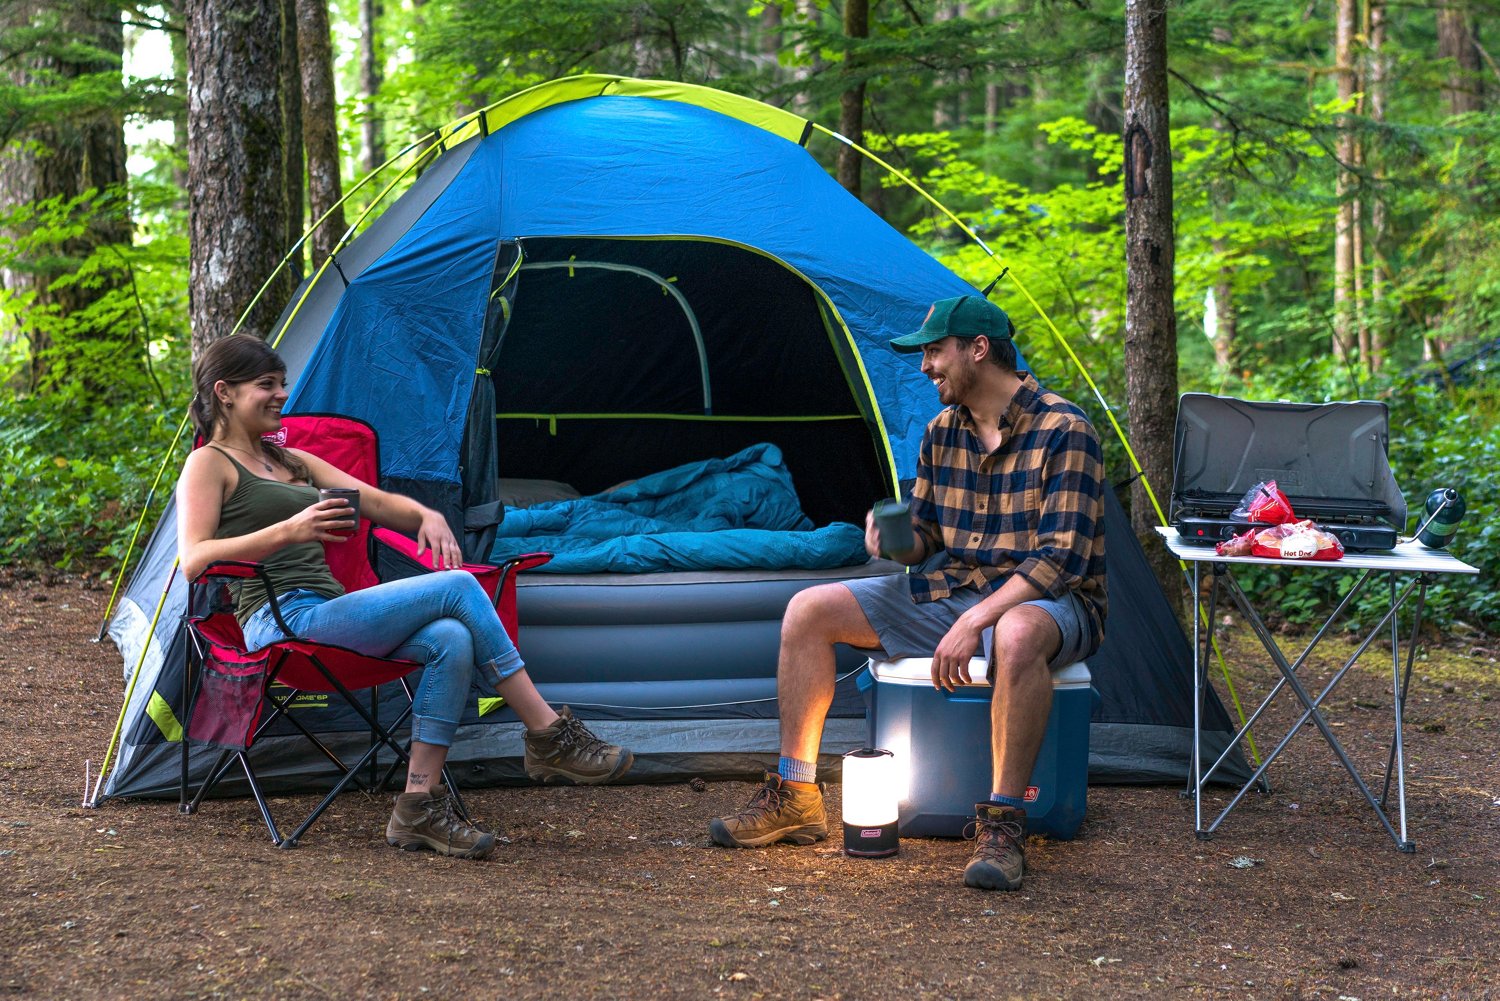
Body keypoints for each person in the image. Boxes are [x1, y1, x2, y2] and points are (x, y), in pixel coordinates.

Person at [177, 334, 633, 860]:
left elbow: (373, 502)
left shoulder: (292, 460)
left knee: (449, 638)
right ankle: (548, 733)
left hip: (324, 612)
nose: (282, 394)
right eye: (267, 385)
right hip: (277, 621)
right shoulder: (209, 464)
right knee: (460, 586)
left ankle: (418, 804)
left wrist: (424, 515)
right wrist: (289, 530)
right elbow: (195, 559)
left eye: (283, 383)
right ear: (225, 392)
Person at [708, 295, 1107, 891]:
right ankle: (795, 795)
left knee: (1018, 630)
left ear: (977, 348)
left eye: (934, 351)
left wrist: (977, 623)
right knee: (809, 610)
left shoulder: (1064, 430)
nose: (924, 367)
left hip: (1053, 602)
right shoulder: (941, 433)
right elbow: (926, 540)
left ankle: (1003, 823)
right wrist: (894, 541)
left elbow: (1059, 561)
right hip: (960, 589)